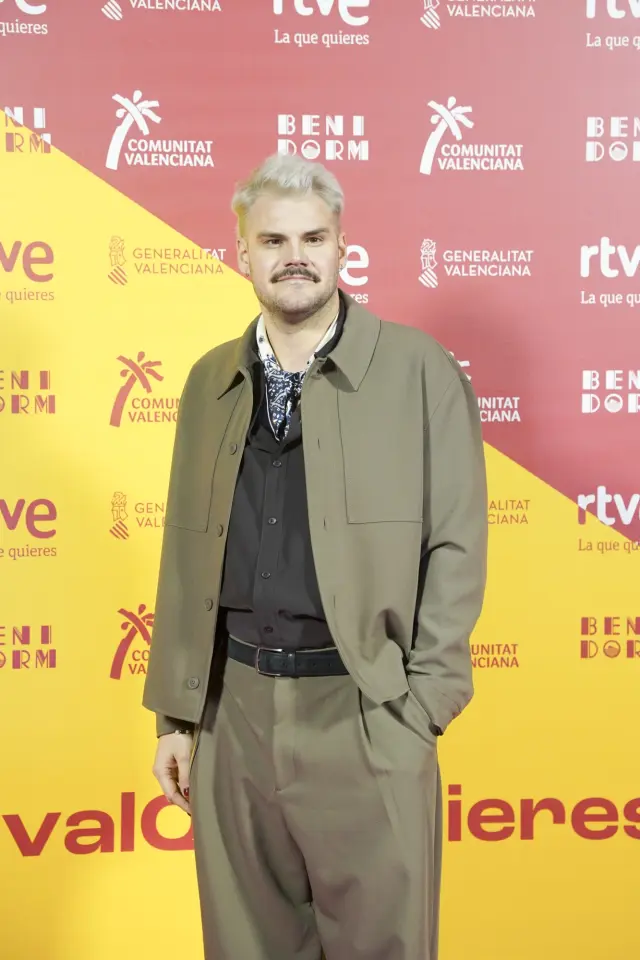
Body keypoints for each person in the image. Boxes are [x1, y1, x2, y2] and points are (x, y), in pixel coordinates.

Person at [142, 152, 488, 960]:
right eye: (272, 239)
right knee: (245, 946)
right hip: (234, 718)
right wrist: (179, 715)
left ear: (340, 248)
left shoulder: (418, 371)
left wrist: (420, 707)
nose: (293, 255)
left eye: (312, 237)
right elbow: (186, 552)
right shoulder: (207, 382)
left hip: (365, 709)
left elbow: (459, 540)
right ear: (243, 254)